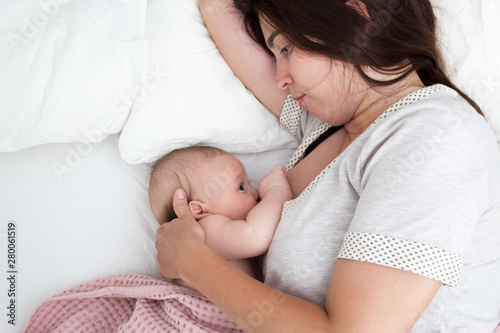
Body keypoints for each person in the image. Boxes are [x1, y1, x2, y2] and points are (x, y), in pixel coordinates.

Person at [156, 0, 500, 332]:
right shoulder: (324, 128)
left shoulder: (433, 135)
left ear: (356, 18)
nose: (280, 78)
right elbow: (216, 8)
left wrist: (194, 263)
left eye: (286, 49)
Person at [149, 145, 292, 288]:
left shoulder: (216, 231)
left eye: (248, 183)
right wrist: (276, 190)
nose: (255, 192)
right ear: (199, 210)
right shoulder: (205, 230)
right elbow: (256, 235)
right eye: (241, 187)